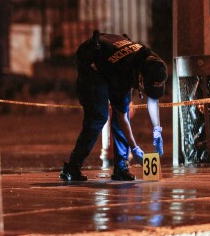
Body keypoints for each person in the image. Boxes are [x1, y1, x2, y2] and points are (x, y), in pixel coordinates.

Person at [60, 30, 167, 181]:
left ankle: (121, 168)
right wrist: (135, 149)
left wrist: (157, 129)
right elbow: (122, 115)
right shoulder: (124, 73)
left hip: (110, 56)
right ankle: (72, 167)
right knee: (98, 116)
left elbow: (153, 96)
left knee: (120, 113)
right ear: (141, 78)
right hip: (92, 62)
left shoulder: (153, 63)